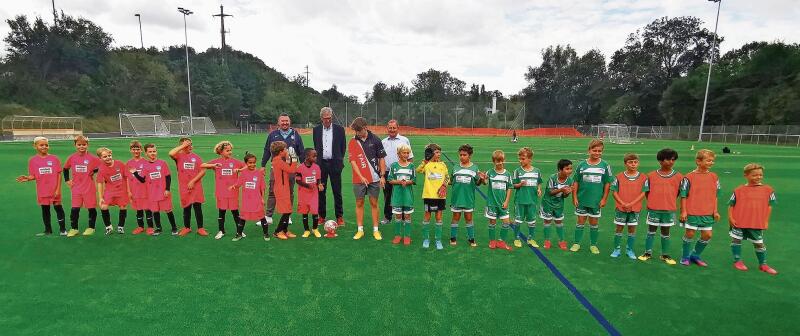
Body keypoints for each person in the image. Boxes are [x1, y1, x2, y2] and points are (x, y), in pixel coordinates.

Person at [728, 163, 778, 274]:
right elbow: (731, 205)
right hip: (739, 221)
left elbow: (769, 206)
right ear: (746, 175)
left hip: (756, 222)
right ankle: (737, 261)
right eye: (755, 175)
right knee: (736, 240)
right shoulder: (738, 190)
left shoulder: (768, 190)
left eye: (760, 175)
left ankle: (763, 264)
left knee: (759, 243)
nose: (758, 177)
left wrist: (765, 221)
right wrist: (731, 218)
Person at [638, 148, 682, 265]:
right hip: (654, 209)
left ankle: (665, 255)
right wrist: (654, 202)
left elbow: (679, 193)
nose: (671, 162)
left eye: (673, 159)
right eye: (668, 159)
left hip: (669, 209)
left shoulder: (679, 176)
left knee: (666, 232)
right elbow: (647, 192)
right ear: (660, 161)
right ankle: (647, 252)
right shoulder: (651, 176)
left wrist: (669, 202)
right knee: (651, 231)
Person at [16, 137, 67, 236]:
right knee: (45, 210)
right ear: (35, 146)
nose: (44, 147)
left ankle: (63, 229)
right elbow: (33, 175)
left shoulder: (54, 159)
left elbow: (59, 175)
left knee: (58, 208)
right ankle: (48, 230)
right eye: (41, 145)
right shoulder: (32, 160)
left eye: (46, 145)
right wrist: (28, 178)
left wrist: (58, 189)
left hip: (54, 190)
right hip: (42, 190)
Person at [570, 139, 612, 254]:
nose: (597, 153)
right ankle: (576, 243)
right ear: (589, 150)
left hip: (596, 200)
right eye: (594, 150)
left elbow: (607, 183)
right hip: (582, 199)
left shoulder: (605, 165)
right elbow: (576, 181)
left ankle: (593, 245)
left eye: (599, 151)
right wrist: (574, 197)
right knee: (580, 221)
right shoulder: (582, 165)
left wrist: (604, 199)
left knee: (594, 223)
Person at [679, 149, 720, 267]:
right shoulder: (689, 177)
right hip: (692, 211)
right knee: (690, 234)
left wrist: (715, 210)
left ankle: (695, 255)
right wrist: (684, 211)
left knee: (707, 235)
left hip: (708, 212)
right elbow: (683, 195)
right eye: (708, 160)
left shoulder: (714, 177)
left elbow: (715, 195)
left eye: (712, 161)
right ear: (698, 161)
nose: (711, 163)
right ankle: (685, 256)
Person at [262, 113, 305, 225]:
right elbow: (267, 150)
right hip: (275, 168)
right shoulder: (273, 134)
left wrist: (304, 166)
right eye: (283, 121)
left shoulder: (295, 134)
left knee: (289, 192)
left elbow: (301, 151)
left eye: (287, 121)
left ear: (290, 122)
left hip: (290, 168)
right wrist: (262, 165)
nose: (285, 123)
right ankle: (268, 216)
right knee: (272, 191)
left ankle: (287, 215)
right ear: (278, 123)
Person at [348, 117, 386, 240]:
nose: (357, 133)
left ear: (365, 127)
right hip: (358, 179)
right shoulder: (353, 141)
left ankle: (376, 230)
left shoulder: (375, 140)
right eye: (355, 131)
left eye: (358, 131)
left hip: (374, 178)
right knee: (359, 203)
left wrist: (382, 176)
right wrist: (361, 176)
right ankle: (360, 230)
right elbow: (353, 161)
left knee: (374, 203)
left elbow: (381, 158)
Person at [131, 144, 177, 236]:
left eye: (154, 151)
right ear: (146, 153)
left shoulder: (162, 163)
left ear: (156, 151)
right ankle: (159, 228)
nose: (153, 153)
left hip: (163, 192)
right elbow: (143, 180)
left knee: (168, 210)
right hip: (152, 193)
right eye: (150, 152)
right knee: (155, 211)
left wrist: (167, 189)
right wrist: (135, 173)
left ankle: (174, 228)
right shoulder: (145, 165)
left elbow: (168, 177)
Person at [202, 141, 245, 239]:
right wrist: (213, 166)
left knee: (235, 212)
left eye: (230, 150)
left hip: (233, 191)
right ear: (221, 152)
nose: (230, 152)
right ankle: (221, 231)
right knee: (222, 211)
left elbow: (247, 167)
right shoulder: (217, 162)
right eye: (227, 150)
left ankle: (240, 231)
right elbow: (202, 165)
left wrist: (239, 170)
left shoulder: (235, 162)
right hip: (221, 192)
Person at [313, 107, 346, 227]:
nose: (327, 121)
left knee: (337, 191)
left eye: (329, 118)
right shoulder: (316, 130)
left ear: (331, 117)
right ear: (321, 118)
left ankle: (339, 216)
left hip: (335, 164)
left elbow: (343, 147)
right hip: (321, 165)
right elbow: (316, 147)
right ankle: (321, 216)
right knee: (321, 191)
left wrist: (339, 161)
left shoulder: (339, 129)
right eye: (325, 118)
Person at [609, 153, 647, 259]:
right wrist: (622, 203)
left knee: (632, 229)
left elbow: (643, 193)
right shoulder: (619, 177)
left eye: (635, 162)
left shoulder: (643, 177)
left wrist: (631, 203)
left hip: (634, 209)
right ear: (625, 163)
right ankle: (616, 249)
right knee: (619, 228)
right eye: (630, 162)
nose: (633, 164)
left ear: (638, 163)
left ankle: (629, 250)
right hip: (621, 208)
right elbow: (614, 192)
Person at [63, 135, 101, 237]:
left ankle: (91, 228)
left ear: (87, 145)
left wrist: (94, 170)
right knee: (75, 209)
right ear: (75, 145)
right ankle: (74, 228)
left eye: (84, 144)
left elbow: (102, 166)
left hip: (89, 187)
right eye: (79, 145)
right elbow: (65, 168)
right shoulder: (72, 157)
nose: (81, 147)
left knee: (91, 208)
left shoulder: (93, 158)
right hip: (76, 187)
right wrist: (67, 180)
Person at [449, 144, 485, 247]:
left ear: (470, 155)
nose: (462, 157)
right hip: (456, 198)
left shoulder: (474, 168)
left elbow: (477, 183)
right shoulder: (455, 167)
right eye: (460, 155)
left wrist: (481, 179)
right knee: (455, 217)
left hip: (468, 198)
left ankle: (471, 238)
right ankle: (453, 237)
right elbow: (451, 181)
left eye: (464, 155)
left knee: (469, 218)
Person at [169, 138, 206, 237]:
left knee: (197, 207)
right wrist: (182, 146)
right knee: (186, 208)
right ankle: (187, 227)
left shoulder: (196, 158)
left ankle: (200, 228)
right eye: (187, 145)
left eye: (191, 144)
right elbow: (171, 153)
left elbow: (203, 171)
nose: (190, 147)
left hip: (196, 186)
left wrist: (193, 181)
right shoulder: (179, 156)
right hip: (184, 187)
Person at [229, 152, 270, 242]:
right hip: (246, 200)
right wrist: (234, 186)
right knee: (243, 218)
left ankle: (266, 234)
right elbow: (239, 183)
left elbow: (262, 188)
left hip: (257, 199)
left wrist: (262, 198)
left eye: (254, 162)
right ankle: (239, 234)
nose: (252, 164)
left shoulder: (259, 173)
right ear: (246, 163)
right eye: (250, 163)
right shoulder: (243, 173)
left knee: (262, 217)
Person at [416, 143, 449, 250]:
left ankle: (438, 240)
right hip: (428, 196)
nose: (439, 154)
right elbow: (418, 170)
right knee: (427, 217)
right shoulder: (427, 165)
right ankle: (426, 239)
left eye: (440, 152)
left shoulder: (443, 165)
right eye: (436, 152)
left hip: (440, 197)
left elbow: (447, 177)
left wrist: (444, 186)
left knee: (439, 218)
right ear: (431, 153)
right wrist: (425, 161)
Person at [381, 119, 414, 225]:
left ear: (398, 128)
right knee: (388, 195)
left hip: (402, 172)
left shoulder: (404, 140)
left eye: (394, 128)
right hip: (387, 172)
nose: (392, 130)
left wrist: (408, 172)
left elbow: (410, 157)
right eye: (390, 128)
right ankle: (388, 216)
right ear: (387, 128)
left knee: (403, 194)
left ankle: (404, 217)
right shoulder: (383, 142)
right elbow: (380, 159)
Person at [511, 147, 543, 248]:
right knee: (518, 221)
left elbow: (539, 182)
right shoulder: (517, 171)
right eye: (519, 158)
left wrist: (539, 189)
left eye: (523, 158)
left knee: (532, 221)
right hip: (520, 200)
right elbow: (513, 185)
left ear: (530, 159)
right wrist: (519, 184)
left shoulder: (537, 171)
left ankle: (530, 238)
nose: (520, 161)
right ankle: (516, 238)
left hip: (532, 201)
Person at [540, 160, 574, 250]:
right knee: (547, 221)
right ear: (560, 169)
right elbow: (550, 192)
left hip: (559, 204)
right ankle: (547, 241)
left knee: (559, 222)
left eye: (571, 168)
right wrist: (562, 189)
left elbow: (565, 196)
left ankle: (561, 241)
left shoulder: (570, 180)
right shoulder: (553, 177)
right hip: (548, 203)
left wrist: (567, 192)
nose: (570, 171)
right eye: (567, 169)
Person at [95, 147, 130, 235]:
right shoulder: (101, 169)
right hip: (110, 190)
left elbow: (127, 177)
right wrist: (100, 198)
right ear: (100, 158)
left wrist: (129, 191)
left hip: (122, 190)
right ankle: (108, 227)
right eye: (105, 156)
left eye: (109, 155)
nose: (108, 158)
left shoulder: (120, 164)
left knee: (123, 206)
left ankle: (121, 227)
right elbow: (100, 183)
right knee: (103, 206)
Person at [486, 150, 513, 251]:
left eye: (501, 161)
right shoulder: (490, 172)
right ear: (494, 161)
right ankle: (492, 241)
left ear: (504, 160)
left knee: (506, 222)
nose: (500, 163)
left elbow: (510, 188)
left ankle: (501, 241)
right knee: (492, 222)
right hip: (492, 203)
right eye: (497, 161)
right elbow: (484, 182)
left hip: (503, 203)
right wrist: (483, 178)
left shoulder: (508, 174)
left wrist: (506, 201)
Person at [270, 141, 298, 240]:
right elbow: (291, 170)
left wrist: (287, 159)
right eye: (285, 149)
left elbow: (285, 169)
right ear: (281, 151)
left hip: (283, 187)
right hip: (281, 188)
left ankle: (285, 230)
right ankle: (277, 231)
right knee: (286, 211)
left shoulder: (278, 160)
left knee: (288, 209)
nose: (287, 151)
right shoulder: (277, 161)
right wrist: (294, 158)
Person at [295, 148, 323, 238]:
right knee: (305, 212)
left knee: (315, 211)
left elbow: (318, 179)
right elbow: (298, 181)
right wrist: (307, 185)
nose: (316, 158)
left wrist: (319, 185)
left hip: (314, 193)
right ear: (307, 157)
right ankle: (306, 230)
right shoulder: (300, 168)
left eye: (316, 156)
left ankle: (315, 229)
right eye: (313, 156)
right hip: (303, 194)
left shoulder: (317, 167)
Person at [126, 141, 149, 234]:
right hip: (134, 190)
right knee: (138, 209)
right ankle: (140, 227)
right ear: (130, 150)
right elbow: (127, 178)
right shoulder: (128, 163)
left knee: (147, 209)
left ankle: (150, 227)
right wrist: (129, 191)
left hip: (145, 190)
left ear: (141, 150)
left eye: (138, 149)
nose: (136, 151)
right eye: (134, 149)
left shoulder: (146, 162)